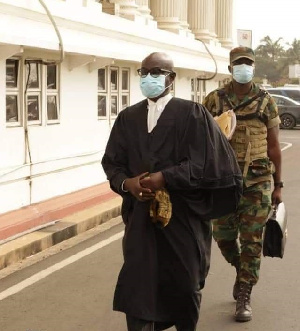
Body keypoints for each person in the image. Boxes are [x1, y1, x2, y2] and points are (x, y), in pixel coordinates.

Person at [101, 52, 243, 331]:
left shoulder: (192, 114)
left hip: (184, 217)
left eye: (157, 72)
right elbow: (112, 163)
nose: (149, 78)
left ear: (171, 78)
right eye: (144, 73)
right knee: (139, 284)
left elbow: (204, 163)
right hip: (141, 219)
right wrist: (127, 184)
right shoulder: (128, 118)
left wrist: (164, 177)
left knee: (185, 284)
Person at [203, 46, 282, 323]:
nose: (243, 68)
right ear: (230, 69)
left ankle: (245, 293)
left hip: (257, 182)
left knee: (252, 242)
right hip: (223, 182)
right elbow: (202, 140)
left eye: (248, 63)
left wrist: (278, 185)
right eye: (238, 64)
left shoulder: (266, 101)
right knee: (223, 237)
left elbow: (274, 146)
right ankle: (241, 270)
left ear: (253, 67)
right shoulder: (214, 100)